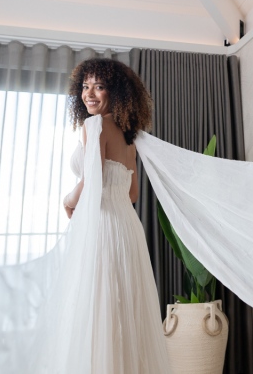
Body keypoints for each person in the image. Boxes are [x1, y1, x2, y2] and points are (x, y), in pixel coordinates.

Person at [61, 57, 172, 373]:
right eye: (85, 86)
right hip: (127, 228)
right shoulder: (128, 136)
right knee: (124, 309)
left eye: (99, 86)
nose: (89, 93)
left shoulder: (94, 125)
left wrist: (68, 200)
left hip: (103, 226)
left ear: (117, 92)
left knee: (100, 309)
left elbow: (91, 181)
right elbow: (133, 194)